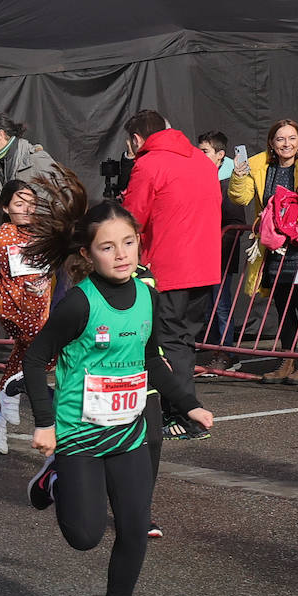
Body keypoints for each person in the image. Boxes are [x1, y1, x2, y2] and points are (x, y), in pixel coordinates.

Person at [21, 169, 214, 596]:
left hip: (127, 429)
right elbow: (33, 356)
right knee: (84, 536)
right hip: (79, 432)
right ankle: (56, 478)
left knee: (134, 526)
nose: (122, 254)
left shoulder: (147, 295)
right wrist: (45, 423)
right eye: (108, 247)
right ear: (87, 255)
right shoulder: (79, 306)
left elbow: (151, 359)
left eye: (128, 242)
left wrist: (188, 403)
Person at [120, 109, 221, 437]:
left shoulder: (148, 164)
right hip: (204, 265)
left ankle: (183, 413)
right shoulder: (202, 160)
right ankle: (180, 409)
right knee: (184, 341)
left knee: (168, 343)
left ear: (137, 139)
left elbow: (130, 220)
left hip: (167, 268)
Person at [231, 119, 298, 385]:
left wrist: (295, 224)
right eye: (280, 139)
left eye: (292, 138)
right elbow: (241, 199)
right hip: (277, 246)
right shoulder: (261, 166)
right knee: (283, 303)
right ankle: (288, 358)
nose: (287, 144)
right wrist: (239, 177)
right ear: (272, 143)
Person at [0, 180, 51, 454]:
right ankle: (14, 397)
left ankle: (1, 414)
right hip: (17, 311)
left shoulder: (44, 233)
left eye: (31, 203)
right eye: (19, 204)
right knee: (40, 350)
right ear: (5, 208)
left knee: (24, 361)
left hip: (43, 308)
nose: (27, 209)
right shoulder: (0, 237)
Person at [195, 131, 248, 373]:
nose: (199, 155)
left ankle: (228, 353)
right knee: (209, 304)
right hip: (203, 255)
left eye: (204, 151)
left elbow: (235, 223)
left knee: (222, 303)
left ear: (220, 155)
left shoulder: (229, 182)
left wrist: (216, 248)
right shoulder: (200, 177)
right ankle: (214, 348)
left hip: (220, 257)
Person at [0, 113, 61, 227]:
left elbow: (65, 196)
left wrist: (48, 228)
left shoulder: (35, 158)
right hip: (19, 236)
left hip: (45, 232)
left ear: (0, 135)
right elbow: (3, 202)